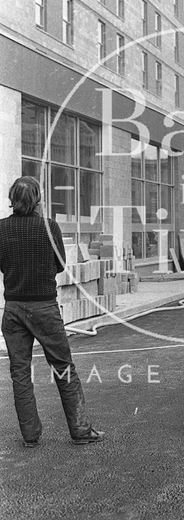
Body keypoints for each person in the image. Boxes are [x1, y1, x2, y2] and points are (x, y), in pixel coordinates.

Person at [0, 176, 104, 447]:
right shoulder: (50, 227)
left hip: (12, 309)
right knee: (62, 366)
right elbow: (60, 267)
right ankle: (80, 430)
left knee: (20, 372)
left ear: (13, 199)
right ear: (37, 199)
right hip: (44, 307)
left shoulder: (1, 229)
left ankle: (31, 435)